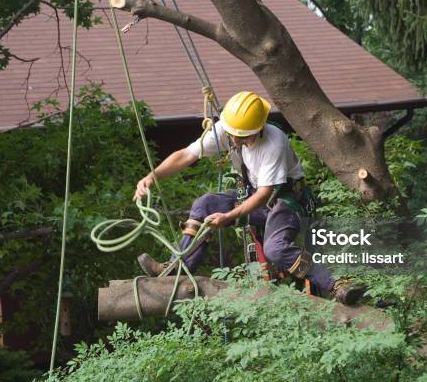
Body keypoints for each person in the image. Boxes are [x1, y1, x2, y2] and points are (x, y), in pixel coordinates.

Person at [134, 91, 365, 305]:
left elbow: (265, 194)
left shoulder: (273, 143)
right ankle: (178, 269)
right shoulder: (229, 128)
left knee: (275, 248)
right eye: (232, 133)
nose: (232, 138)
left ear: (254, 130)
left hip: (286, 201)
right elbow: (186, 154)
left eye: (239, 136)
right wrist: (151, 177)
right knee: (204, 204)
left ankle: (336, 283)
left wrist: (229, 216)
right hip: (256, 195)